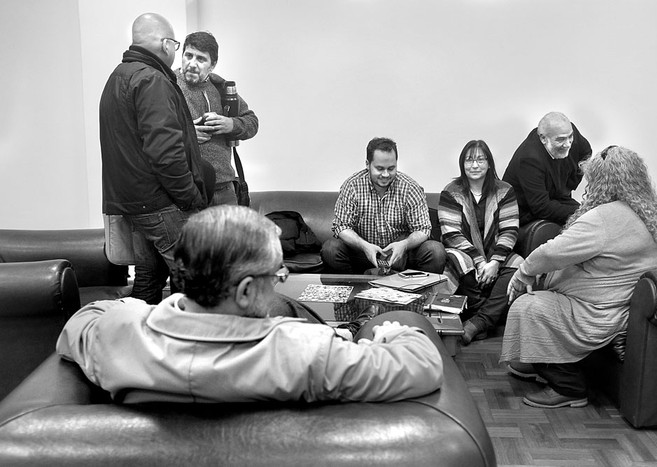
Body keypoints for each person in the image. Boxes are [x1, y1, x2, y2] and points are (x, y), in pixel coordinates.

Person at [56, 205, 444, 403]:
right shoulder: (303, 351)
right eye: (277, 274)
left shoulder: (117, 334)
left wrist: (138, 311)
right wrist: (396, 330)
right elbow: (422, 366)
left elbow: (82, 320)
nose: (282, 280)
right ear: (243, 292)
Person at [501, 146, 657, 409]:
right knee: (540, 295)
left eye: (592, 180)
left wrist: (524, 272)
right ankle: (538, 359)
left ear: (602, 181)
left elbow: (553, 251)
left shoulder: (604, 217)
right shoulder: (646, 211)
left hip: (600, 313)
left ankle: (568, 387)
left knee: (528, 306)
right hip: (623, 307)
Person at [100, 13, 213, 305]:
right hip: (161, 203)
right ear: (166, 44)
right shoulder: (152, 80)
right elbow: (165, 153)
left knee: (149, 277)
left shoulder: (118, 76)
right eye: (176, 45)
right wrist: (190, 198)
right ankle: (184, 342)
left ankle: (139, 341)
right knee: (195, 280)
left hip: (135, 203)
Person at [438, 140, 523, 345]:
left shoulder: (505, 190)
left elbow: (510, 230)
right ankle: (483, 315)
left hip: (496, 252)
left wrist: (494, 262)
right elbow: (451, 234)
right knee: (459, 260)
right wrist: (478, 260)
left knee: (520, 265)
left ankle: (477, 323)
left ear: (489, 163)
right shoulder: (451, 191)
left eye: (480, 159)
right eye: (469, 160)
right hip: (465, 252)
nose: (474, 165)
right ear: (462, 164)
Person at [322, 137, 446, 274]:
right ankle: (352, 290)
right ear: (367, 164)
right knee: (330, 249)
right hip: (363, 252)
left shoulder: (410, 187)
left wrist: (404, 245)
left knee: (435, 250)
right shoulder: (352, 186)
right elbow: (341, 226)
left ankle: (420, 293)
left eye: (391, 168)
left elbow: (423, 229)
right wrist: (364, 246)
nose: (386, 174)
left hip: (401, 254)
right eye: (379, 168)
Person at [176, 31, 259, 206]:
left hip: (224, 188)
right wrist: (188, 135)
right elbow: (152, 132)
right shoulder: (168, 85)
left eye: (201, 59)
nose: (192, 64)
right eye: (188, 55)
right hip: (186, 189)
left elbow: (252, 122)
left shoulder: (221, 88)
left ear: (212, 65)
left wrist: (231, 124)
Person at [502, 112, 592, 226]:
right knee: (584, 217)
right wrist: (581, 213)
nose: (568, 144)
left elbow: (586, 153)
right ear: (544, 139)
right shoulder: (529, 159)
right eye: (560, 140)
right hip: (524, 211)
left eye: (570, 137)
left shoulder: (567, 131)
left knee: (590, 216)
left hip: (555, 198)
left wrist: (569, 185)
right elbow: (541, 207)